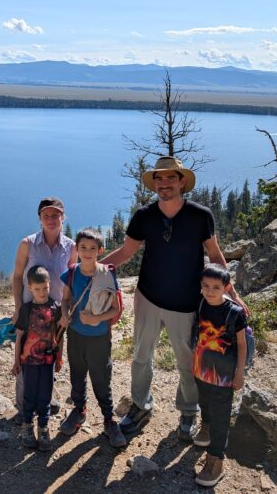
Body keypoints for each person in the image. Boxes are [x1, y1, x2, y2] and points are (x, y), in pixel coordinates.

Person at [100, 155, 247, 439]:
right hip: (148, 298)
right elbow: (126, 252)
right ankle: (140, 406)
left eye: (170, 178)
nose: (164, 183)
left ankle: (188, 413)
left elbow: (215, 256)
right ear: (154, 183)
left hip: (186, 303)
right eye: (159, 178)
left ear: (182, 182)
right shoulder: (144, 216)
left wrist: (233, 294)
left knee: (186, 361)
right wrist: (90, 271)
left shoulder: (200, 215)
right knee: (141, 357)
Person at [59, 228, 126, 447]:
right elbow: (66, 299)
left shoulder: (107, 274)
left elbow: (115, 309)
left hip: (99, 337)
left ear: (100, 250)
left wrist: (97, 320)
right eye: (83, 247)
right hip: (76, 335)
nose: (87, 252)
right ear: (76, 249)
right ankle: (79, 410)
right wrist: (65, 315)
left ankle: (109, 418)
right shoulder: (71, 272)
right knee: (77, 374)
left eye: (92, 248)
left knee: (101, 378)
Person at [11, 197, 77, 412]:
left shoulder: (71, 247)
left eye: (55, 215)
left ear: (63, 217)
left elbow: (72, 281)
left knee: (50, 356)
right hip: (29, 314)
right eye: (46, 215)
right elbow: (17, 277)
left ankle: (44, 403)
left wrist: (66, 311)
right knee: (26, 357)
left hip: (56, 315)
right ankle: (24, 408)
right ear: (39, 218)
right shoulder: (27, 244)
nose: (51, 219)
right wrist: (18, 307)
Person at [192, 264, 247, 487]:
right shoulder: (201, 303)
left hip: (224, 375)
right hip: (201, 368)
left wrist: (239, 373)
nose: (210, 291)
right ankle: (205, 427)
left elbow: (242, 345)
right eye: (205, 286)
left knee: (221, 416)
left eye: (216, 287)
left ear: (227, 287)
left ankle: (215, 461)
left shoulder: (235, 313)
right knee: (203, 401)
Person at [12, 265, 62, 451]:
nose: (42, 292)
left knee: (45, 396)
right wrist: (16, 361)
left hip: (48, 361)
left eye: (45, 288)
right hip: (29, 362)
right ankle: (27, 427)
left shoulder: (55, 308)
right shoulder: (26, 310)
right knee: (29, 395)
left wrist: (59, 358)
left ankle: (43, 429)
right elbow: (19, 337)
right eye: (38, 289)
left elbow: (59, 335)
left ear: (49, 285)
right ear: (30, 288)